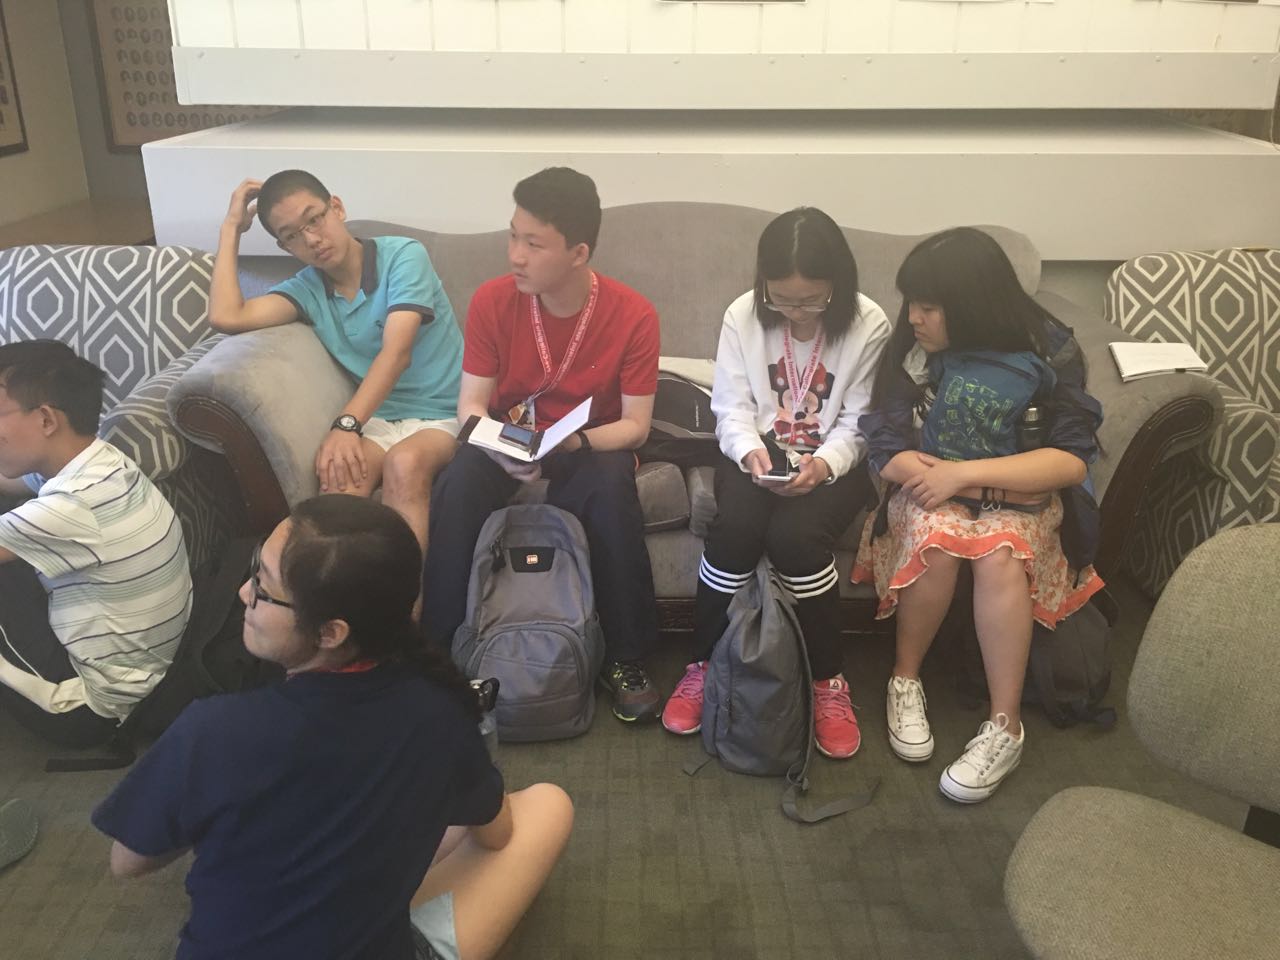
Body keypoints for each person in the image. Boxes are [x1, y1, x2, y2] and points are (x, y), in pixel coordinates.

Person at [92, 496, 574, 960]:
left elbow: (127, 862)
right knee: (546, 804)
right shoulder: (440, 710)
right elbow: (496, 834)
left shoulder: (211, 729)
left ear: (330, 632)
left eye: (261, 586)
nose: (243, 593)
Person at [852, 227, 1105, 803]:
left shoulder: (1046, 349)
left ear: (972, 306)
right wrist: (928, 473)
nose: (913, 317)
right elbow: (885, 442)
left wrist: (964, 475)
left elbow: (1070, 460)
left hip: (1015, 497)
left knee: (999, 553)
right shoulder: (914, 347)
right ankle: (904, 678)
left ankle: (1004, 727)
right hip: (930, 487)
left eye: (929, 306)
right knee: (938, 541)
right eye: (911, 302)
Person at [420, 167, 663, 724]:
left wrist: (573, 442)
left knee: (610, 485)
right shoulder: (492, 300)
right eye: (513, 236)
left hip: (584, 444)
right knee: (458, 482)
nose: (516, 256)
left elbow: (636, 426)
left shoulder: (633, 314)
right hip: (507, 437)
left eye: (534, 244)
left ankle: (625, 657)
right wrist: (498, 446)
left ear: (578, 253)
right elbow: (470, 405)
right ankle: (437, 655)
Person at [660, 208, 891, 760]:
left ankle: (828, 679)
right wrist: (750, 452)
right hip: (760, 451)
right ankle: (703, 663)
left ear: (838, 283)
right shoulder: (743, 314)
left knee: (795, 538)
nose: (796, 313)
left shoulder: (869, 323)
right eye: (782, 299)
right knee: (734, 529)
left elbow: (860, 421)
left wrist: (824, 466)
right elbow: (730, 407)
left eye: (811, 301)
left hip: (834, 457)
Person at [210, 169, 463, 551]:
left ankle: (409, 591)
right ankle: (324, 591)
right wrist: (231, 228)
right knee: (336, 489)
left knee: (405, 463)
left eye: (314, 219)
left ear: (337, 208)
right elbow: (226, 316)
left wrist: (346, 425)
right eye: (292, 235)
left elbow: (397, 354)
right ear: (285, 247)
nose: (312, 239)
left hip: (444, 412)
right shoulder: (307, 289)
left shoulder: (403, 255)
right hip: (380, 418)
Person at [0, 341, 192, 748]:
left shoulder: (72, 505)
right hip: (143, 674)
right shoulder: (99, 463)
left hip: (86, 710)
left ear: (46, 419)